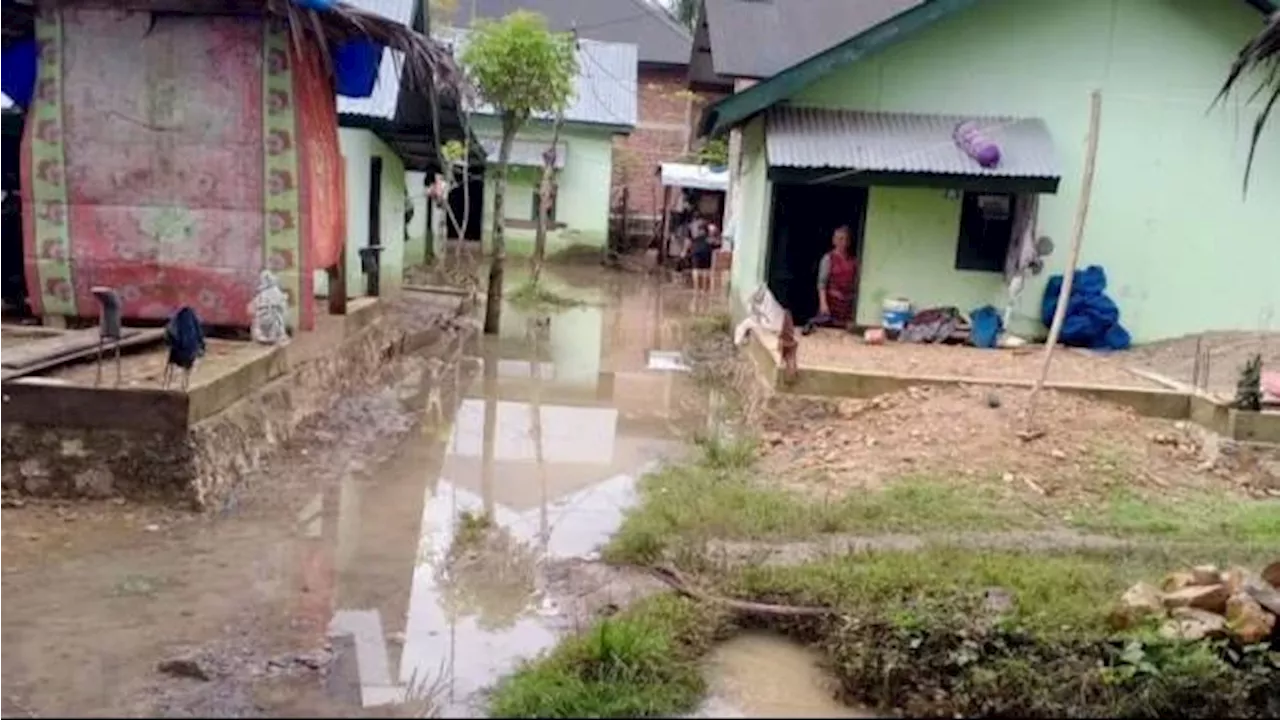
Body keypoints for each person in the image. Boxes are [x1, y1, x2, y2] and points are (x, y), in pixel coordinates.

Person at [804, 226, 858, 334]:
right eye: (839, 239)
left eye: (844, 239)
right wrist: (823, 304)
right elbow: (821, 284)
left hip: (846, 307)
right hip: (830, 304)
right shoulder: (828, 258)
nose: (842, 242)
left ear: (849, 242)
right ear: (833, 241)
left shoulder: (854, 261)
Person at [687, 222, 722, 292]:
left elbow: (689, 243)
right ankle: (704, 288)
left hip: (696, 252)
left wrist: (687, 251)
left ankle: (696, 288)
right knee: (705, 270)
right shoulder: (709, 238)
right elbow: (718, 244)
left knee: (696, 270)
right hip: (705, 253)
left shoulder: (696, 237)